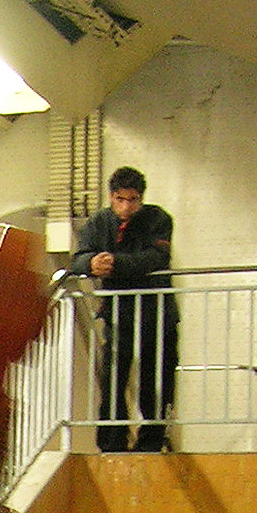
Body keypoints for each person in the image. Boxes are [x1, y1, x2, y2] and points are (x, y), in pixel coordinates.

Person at [72, 166, 180, 453]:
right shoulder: (98, 223)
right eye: (120, 199)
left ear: (141, 198)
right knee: (113, 381)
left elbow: (156, 257)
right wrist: (91, 264)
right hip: (118, 315)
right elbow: (79, 257)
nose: (126, 207)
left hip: (157, 315)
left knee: (154, 382)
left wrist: (114, 265)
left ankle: (151, 441)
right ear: (111, 196)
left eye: (133, 200)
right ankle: (111, 441)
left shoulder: (158, 220)